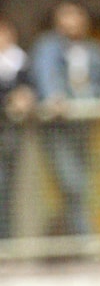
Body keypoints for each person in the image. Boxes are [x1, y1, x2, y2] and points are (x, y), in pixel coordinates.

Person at [29, 1, 100, 235]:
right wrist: (54, 98)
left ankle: (74, 239)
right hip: (58, 128)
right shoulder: (47, 47)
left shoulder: (96, 51)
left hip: (85, 127)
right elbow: (46, 76)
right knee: (72, 184)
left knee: (80, 185)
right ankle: (86, 240)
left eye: (76, 15)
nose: (71, 21)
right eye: (65, 16)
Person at [0, 16, 36, 239]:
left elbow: (33, 87)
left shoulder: (22, 62)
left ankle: (7, 243)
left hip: (14, 137)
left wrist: (27, 97)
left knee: (9, 191)